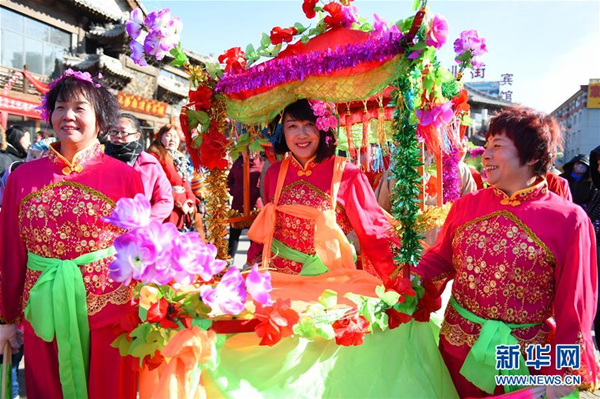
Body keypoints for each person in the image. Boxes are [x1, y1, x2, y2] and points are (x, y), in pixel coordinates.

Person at [414, 106, 599, 397]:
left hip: (521, 362)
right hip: (456, 350)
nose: (485, 154)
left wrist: (563, 372)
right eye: (486, 146)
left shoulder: (569, 220)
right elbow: (440, 259)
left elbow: (574, 309)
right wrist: (406, 284)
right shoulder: (467, 205)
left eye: (497, 146)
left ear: (534, 155)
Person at [0, 69, 144, 399]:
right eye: (60, 107)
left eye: (80, 108)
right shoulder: (23, 177)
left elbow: (142, 249)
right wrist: (5, 318)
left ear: (100, 119)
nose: (68, 116)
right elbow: (10, 249)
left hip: (111, 313)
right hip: (44, 310)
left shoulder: (125, 177)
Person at [247, 99, 399, 280]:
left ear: (322, 128)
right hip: (277, 280)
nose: (301, 134)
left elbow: (373, 232)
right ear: (283, 132)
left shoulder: (348, 174)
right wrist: (251, 263)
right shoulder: (274, 172)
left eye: (309, 124)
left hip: (328, 283)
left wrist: (396, 280)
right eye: (292, 126)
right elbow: (266, 224)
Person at [105, 113, 173, 222]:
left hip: (137, 229)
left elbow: (165, 200)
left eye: (123, 132)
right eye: (114, 131)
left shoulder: (149, 164)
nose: (118, 135)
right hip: (105, 226)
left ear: (137, 136)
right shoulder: (100, 161)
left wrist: (144, 222)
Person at [147, 124, 197, 231]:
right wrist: (180, 201)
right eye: (168, 135)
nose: (172, 139)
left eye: (175, 136)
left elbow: (184, 184)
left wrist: (190, 201)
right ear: (160, 137)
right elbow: (159, 185)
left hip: (181, 210)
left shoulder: (179, 158)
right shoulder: (155, 156)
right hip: (165, 208)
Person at [227, 152, 264, 257]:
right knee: (233, 237)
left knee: (254, 241)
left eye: (253, 149)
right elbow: (228, 182)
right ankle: (229, 264)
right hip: (238, 207)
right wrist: (235, 191)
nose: (250, 152)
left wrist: (258, 193)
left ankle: (253, 265)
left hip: (255, 209)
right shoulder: (237, 163)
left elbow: (266, 183)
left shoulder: (262, 163)